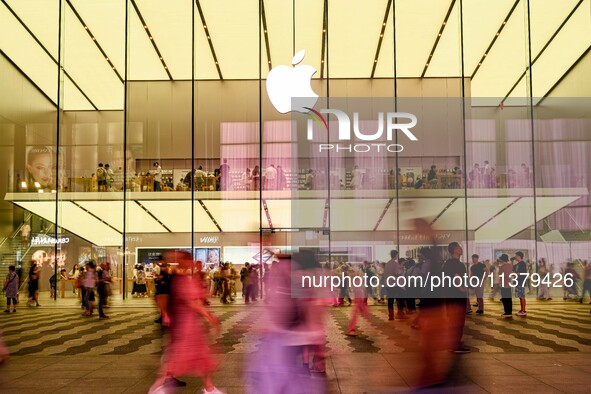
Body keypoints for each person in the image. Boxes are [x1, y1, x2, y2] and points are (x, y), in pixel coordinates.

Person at [149, 252, 222, 394]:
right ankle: (157, 387)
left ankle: (209, 387)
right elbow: (190, 302)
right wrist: (209, 316)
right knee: (178, 356)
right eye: (189, 260)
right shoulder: (180, 279)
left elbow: (198, 299)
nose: (193, 263)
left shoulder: (189, 277)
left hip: (192, 324)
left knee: (201, 355)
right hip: (185, 325)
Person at [442, 242, 470, 353]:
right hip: (457, 297)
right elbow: (456, 277)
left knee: (452, 319)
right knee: (458, 320)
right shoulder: (457, 264)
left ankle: (452, 343)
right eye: (459, 248)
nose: (461, 249)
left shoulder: (447, 263)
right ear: (455, 250)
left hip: (450, 296)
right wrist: (461, 288)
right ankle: (455, 344)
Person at [383, 250, 406, 320]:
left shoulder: (387, 263)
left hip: (387, 284)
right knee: (399, 298)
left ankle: (391, 315)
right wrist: (402, 270)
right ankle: (400, 313)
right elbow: (397, 273)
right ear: (396, 255)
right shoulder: (395, 264)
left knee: (390, 299)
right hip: (394, 284)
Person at [514, 251, 527, 316]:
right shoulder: (517, 264)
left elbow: (523, 273)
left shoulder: (522, 264)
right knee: (520, 296)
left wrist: (516, 274)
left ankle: (524, 310)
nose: (515, 257)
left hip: (521, 282)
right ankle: (522, 309)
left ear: (519, 256)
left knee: (522, 296)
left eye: (516, 256)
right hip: (518, 281)